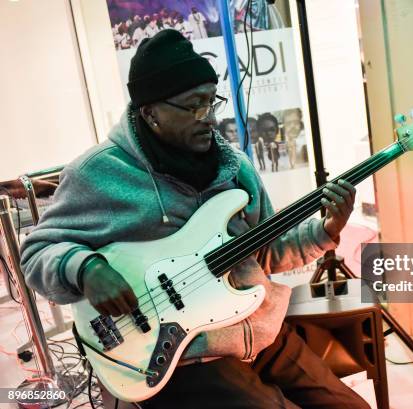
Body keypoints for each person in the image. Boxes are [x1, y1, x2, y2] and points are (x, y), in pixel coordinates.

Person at [20, 30, 367, 409]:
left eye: (211, 102)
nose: (209, 119)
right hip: (182, 353)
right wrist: (85, 268)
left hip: (259, 331)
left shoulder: (234, 167)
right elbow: (37, 252)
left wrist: (326, 231)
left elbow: (264, 253)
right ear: (150, 112)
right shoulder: (97, 173)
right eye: (193, 106)